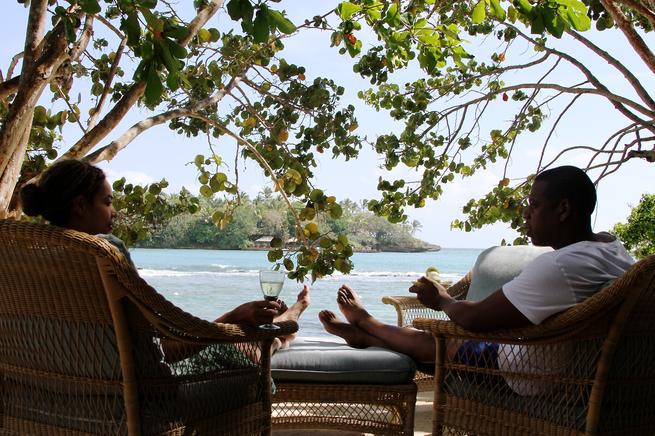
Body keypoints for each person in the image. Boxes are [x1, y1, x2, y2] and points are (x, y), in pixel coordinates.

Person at [319, 165, 635, 388]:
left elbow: (473, 318)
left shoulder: (561, 266)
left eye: (534, 205)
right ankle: (364, 335)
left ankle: (365, 322)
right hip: (573, 368)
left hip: (527, 375)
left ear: (563, 210)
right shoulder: (612, 248)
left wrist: (442, 300)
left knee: (434, 342)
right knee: (443, 343)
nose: (525, 214)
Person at [20, 158, 309, 360]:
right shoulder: (105, 253)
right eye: (107, 202)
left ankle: (283, 329)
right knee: (245, 352)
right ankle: (284, 328)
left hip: (49, 398)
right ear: (80, 205)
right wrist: (235, 315)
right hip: (137, 398)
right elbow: (165, 346)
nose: (114, 212)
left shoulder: (23, 261)